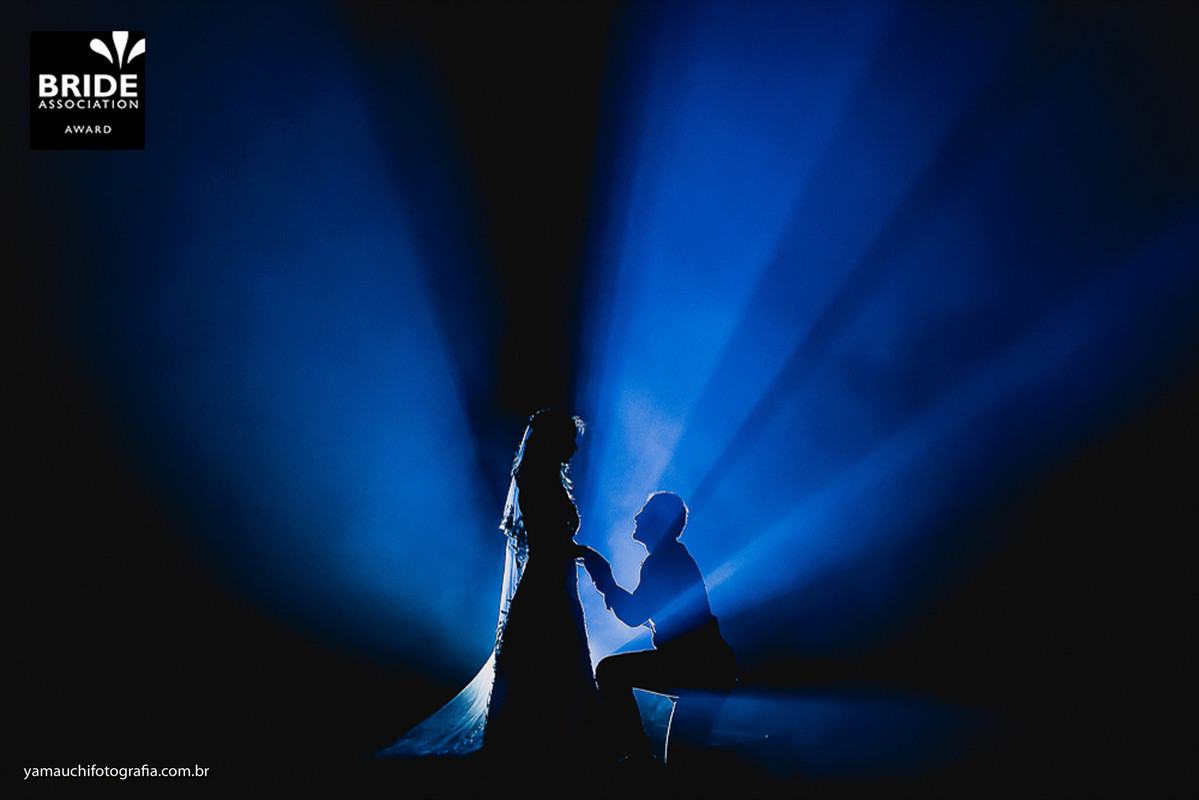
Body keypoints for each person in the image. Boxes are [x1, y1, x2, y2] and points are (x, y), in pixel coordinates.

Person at [376, 410, 604, 771]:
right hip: (548, 580)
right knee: (551, 654)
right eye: (569, 438)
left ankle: (557, 740)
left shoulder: (546, 478)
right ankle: (540, 745)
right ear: (553, 439)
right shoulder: (535, 478)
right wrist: (584, 553)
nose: (576, 447)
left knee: (558, 656)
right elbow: (545, 541)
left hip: (558, 578)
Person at [577, 492, 737, 767]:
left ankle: (638, 755)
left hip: (697, 666)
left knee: (610, 672)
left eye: (644, 511)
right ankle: (641, 756)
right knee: (681, 762)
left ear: (660, 521)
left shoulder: (665, 560)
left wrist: (603, 575)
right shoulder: (669, 557)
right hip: (706, 667)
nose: (637, 517)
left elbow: (634, 614)